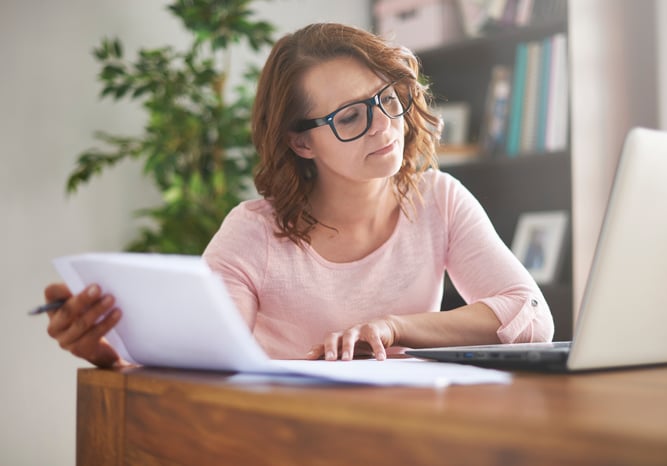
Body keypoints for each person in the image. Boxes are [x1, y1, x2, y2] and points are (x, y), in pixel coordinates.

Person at [43, 23, 554, 368]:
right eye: (351, 117)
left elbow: (530, 316)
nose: (383, 127)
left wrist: (395, 327)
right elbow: (198, 360)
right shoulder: (254, 233)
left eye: (387, 99)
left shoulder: (438, 200)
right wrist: (107, 354)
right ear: (300, 141)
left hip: (404, 433)